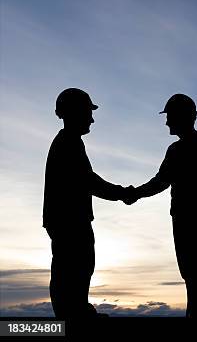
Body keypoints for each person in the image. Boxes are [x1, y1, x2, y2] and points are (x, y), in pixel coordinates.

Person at [124, 94, 197, 318]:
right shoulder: (182, 149)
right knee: (192, 271)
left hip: (196, 218)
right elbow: (161, 182)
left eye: (170, 116)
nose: (166, 122)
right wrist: (136, 193)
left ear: (184, 117)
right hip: (187, 218)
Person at [43, 88, 133, 319]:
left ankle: (76, 312)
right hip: (70, 220)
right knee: (74, 267)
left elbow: (87, 180)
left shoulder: (68, 142)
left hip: (67, 218)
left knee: (76, 267)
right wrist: (122, 193)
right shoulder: (68, 143)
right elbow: (89, 181)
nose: (91, 118)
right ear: (74, 112)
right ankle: (72, 318)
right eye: (87, 112)